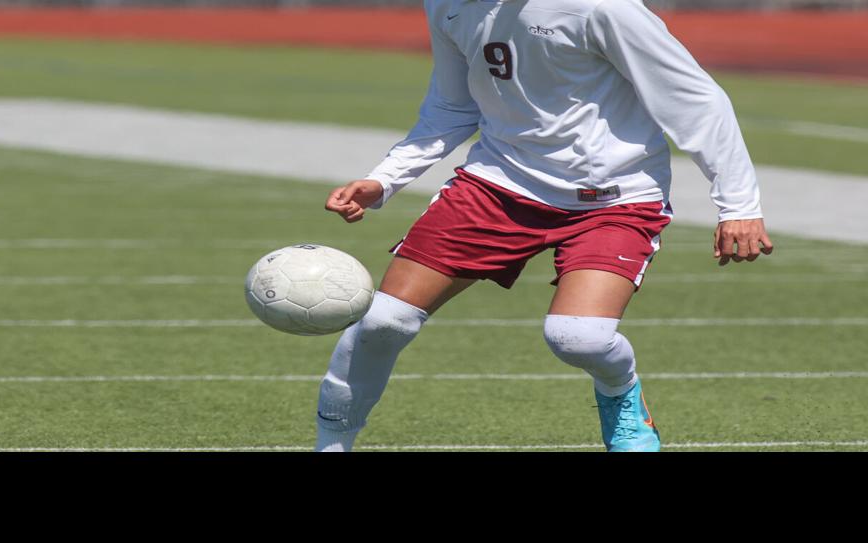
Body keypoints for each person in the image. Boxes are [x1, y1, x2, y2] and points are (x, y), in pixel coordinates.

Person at [317, 0, 773, 452]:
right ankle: (331, 445)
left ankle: (621, 394)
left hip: (613, 198)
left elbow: (695, 98)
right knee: (384, 321)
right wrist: (384, 179)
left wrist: (737, 205)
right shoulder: (446, 4)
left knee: (579, 339)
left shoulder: (599, 8)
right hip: (496, 184)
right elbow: (452, 106)